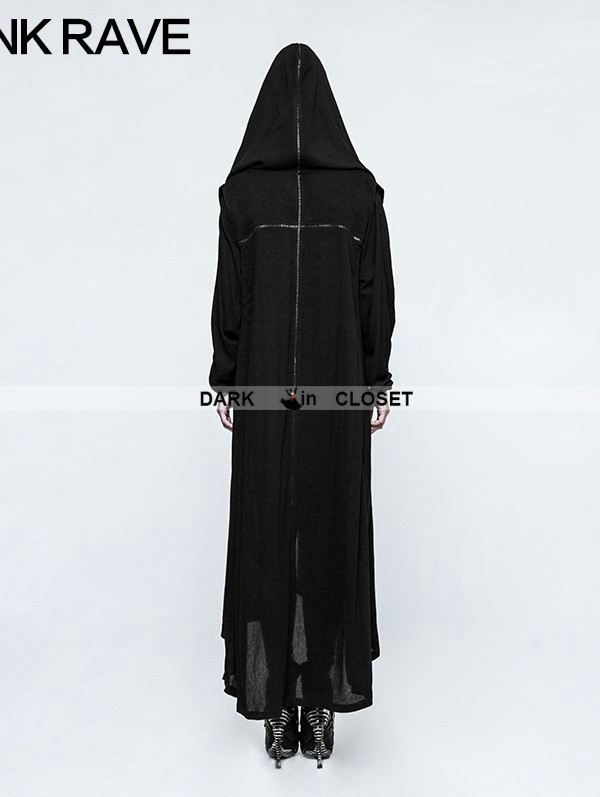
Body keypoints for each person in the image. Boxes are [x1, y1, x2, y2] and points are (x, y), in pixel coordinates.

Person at [208, 42, 395, 768]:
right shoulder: (358, 196)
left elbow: (231, 302)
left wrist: (228, 378)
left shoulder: (242, 198)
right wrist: (373, 380)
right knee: (327, 522)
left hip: (262, 391)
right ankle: (313, 702)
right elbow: (376, 298)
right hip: (336, 389)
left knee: (270, 529)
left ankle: (286, 703)